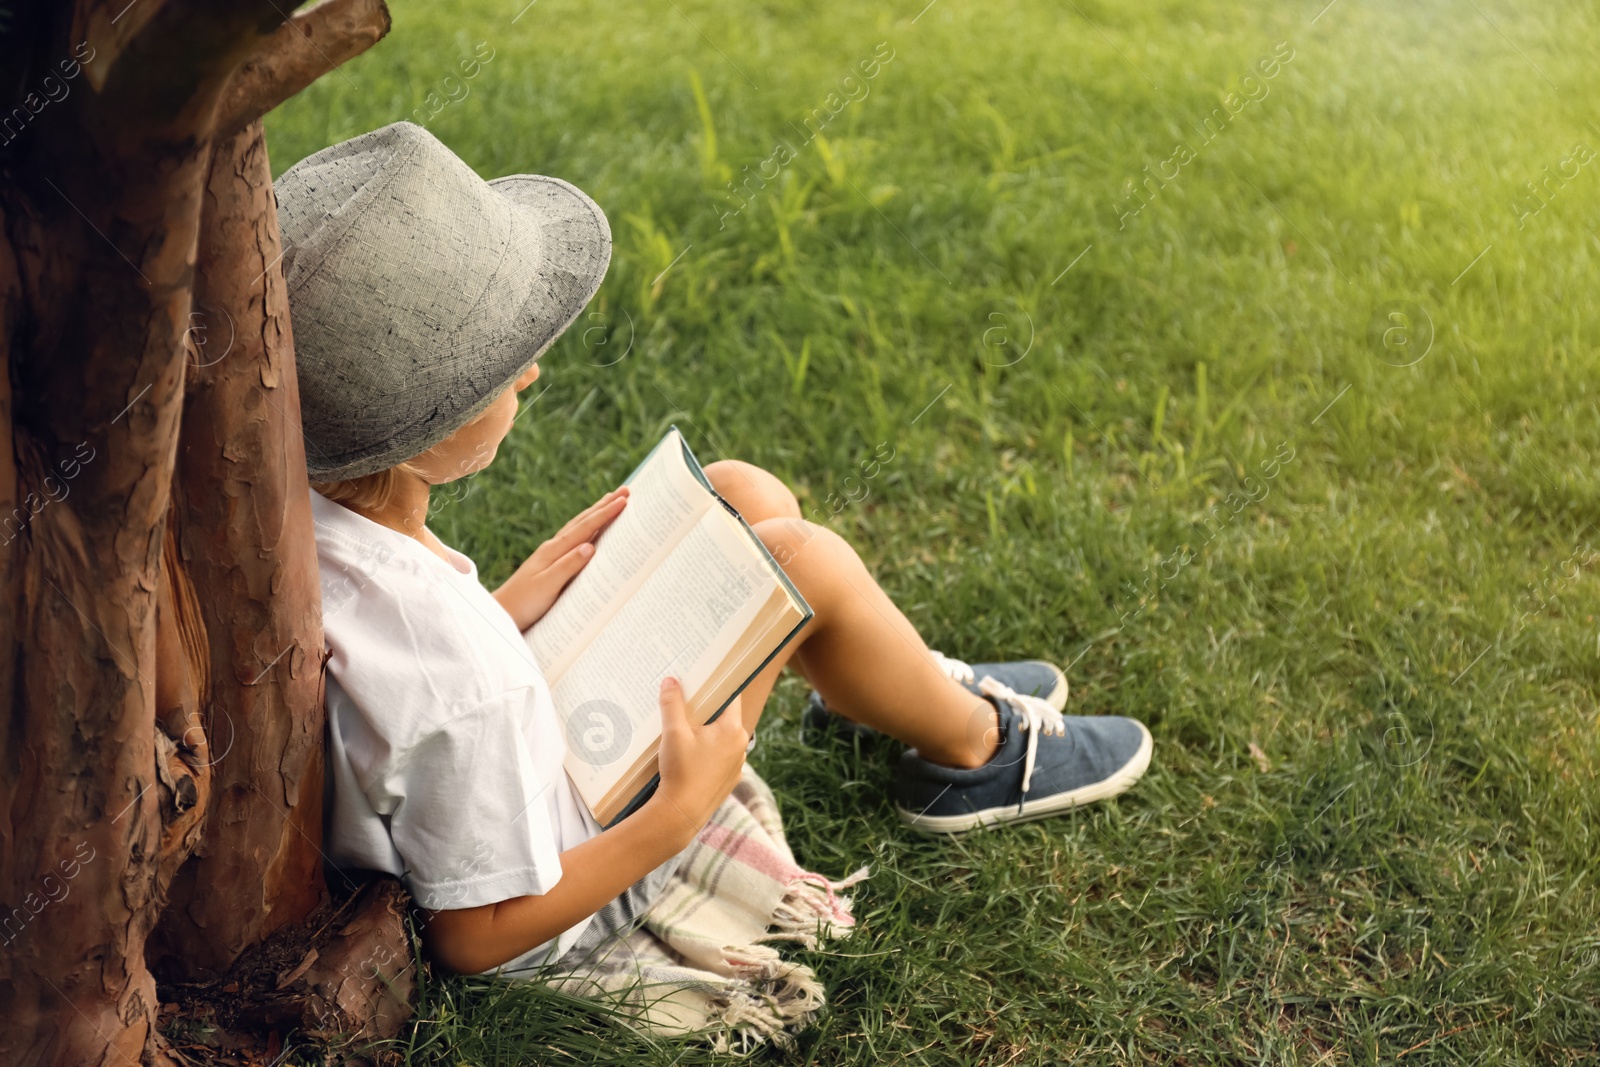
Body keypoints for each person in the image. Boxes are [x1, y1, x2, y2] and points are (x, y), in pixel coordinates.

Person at [280, 122, 1152, 979]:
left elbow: (393, 707)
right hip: (565, 886)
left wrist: (502, 610)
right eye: (504, 369)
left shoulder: (311, 518)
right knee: (794, 559)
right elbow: (473, 938)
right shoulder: (463, 671)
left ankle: (885, 685)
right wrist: (678, 814)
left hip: (523, 771)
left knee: (742, 494)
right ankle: (976, 752)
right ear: (424, 430)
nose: (533, 374)